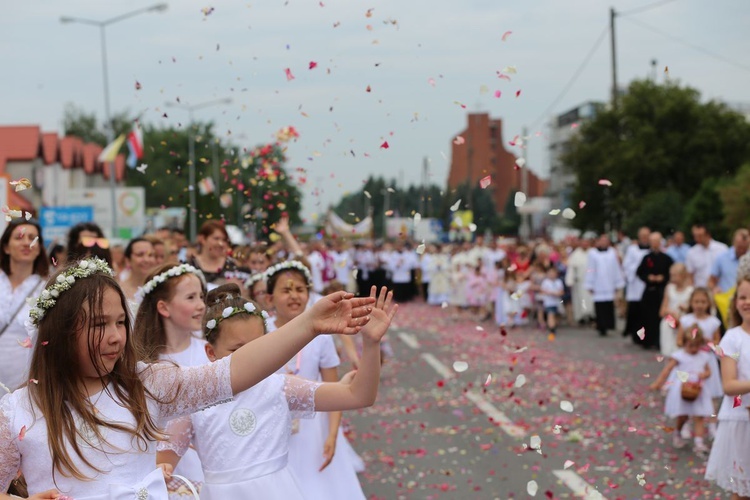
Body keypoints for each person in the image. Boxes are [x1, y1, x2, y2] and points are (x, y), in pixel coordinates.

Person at [0, 257, 375, 499]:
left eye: (120, 323)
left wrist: (308, 324)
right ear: (62, 331)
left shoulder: (146, 384)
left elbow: (233, 372)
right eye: (100, 325)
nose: (116, 336)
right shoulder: (17, 411)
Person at [156, 284, 396, 499]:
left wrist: (372, 344)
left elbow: (358, 395)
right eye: (237, 351)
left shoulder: (280, 387)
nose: (249, 359)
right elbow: (164, 463)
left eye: (258, 348)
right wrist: (163, 471)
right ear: (211, 352)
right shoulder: (195, 397)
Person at [265, 260, 367, 499]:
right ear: (269, 298)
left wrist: (332, 435)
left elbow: (335, 391)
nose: (294, 296)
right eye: (286, 290)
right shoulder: (262, 331)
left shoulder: (321, 335)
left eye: (300, 290)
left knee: (317, 487)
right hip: (272, 424)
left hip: (314, 426)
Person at [133, 263, 210, 498]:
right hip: (157, 467)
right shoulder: (142, 363)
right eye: (190, 297)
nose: (201, 305)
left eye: (201, 296)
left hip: (203, 461)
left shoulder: (209, 353)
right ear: (163, 307)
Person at [705, 275, 750, 497]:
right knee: (742, 490)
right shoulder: (732, 338)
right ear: (735, 303)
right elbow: (729, 384)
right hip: (741, 420)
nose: (747, 302)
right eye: (742, 297)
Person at [649, 327, 714, 457]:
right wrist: (658, 383)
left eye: (697, 346)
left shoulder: (703, 356)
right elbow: (667, 369)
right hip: (682, 388)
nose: (694, 349)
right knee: (683, 415)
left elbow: (709, 371)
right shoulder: (679, 355)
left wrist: (704, 375)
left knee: (699, 415)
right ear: (684, 343)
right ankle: (678, 432)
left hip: (698, 388)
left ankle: (699, 442)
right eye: (690, 346)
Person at [0, 219, 48, 392]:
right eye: (19, 237)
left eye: (33, 238)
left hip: (26, 384)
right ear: (6, 247)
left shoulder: (48, 289)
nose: (27, 242)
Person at [636, 232, 673, 349]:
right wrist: (648, 277)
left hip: (661, 292)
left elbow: (671, 274)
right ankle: (647, 341)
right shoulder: (646, 258)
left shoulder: (667, 258)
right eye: (652, 241)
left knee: (660, 317)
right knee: (646, 316)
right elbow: (639, 273)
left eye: (657, 241)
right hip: (649, 291)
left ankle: (658, 341)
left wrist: (663, 278)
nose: (655, 244)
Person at [584, 234, 625, 336]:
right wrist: (590, 283)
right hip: (598, 283)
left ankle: (608, 325)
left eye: (605, 240)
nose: (603, 242)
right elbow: (590, 268)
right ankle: (601, 326)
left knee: (608, 306)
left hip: (609, 283)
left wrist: (618, 283)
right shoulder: (593, 253)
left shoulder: (612, 252)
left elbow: (616, 268)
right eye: (602, 240)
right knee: (599, 307)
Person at [658, 263, 693, 356]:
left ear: (682, 275)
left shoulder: (690, 291)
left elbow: (692, 311)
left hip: (683, 324)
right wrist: (669, 312)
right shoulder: (669, 288)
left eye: (674, 275)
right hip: (669, 323)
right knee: (668, 352)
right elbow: (662, 311)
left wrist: (685, 309)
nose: (671, 278)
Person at [622, 227, 650, 340]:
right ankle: (634, 333)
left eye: (646, 236)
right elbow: (626, 265)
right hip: (635, 284)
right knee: (635, 311)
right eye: (642, 235)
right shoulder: (632, 249)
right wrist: (636, 270)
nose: (644, 238)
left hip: (646, 284)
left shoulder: (652, 249)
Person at [188, 221, 238, 285]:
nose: (221, 244)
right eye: (216, 238)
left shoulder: (232, 265)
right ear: (202, 239)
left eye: (224, 240)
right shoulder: (190, 266)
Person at [686, 224, 728, 288]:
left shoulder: (722, 249)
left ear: (708, 235)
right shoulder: (692, 252)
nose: (697, 239)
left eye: (700, 236)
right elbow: (690, 274)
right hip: (700, 290)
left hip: (719, 290)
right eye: (695, 236)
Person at [119, 237, 156, 305]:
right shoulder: (119, 290)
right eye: (140, 255)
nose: (146, 260)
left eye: (150, 255)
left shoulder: (161, 288)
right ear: (128, 260)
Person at [565, 238, 594, 324]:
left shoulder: (592, 253)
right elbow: (571, 268)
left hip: (591, 281)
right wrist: (570, 280)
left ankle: (591, 316)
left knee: (590, 300)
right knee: (580, 300)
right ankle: (581, 317)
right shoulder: (575, 254)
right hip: (579, 282)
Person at [539, 266, 564, 339]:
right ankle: (552, 330)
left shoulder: (558, 281)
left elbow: (561, 291)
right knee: (551, 315)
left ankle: (553, 326)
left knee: (556, 316)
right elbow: (542, 291)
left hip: (557, 302)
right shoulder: (546, 282)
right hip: (549, 302)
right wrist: (549, 293)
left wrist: (557, 293)